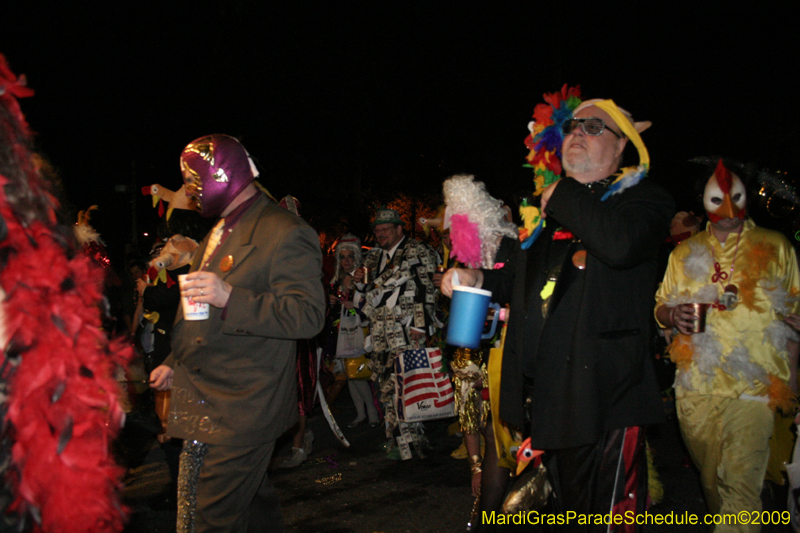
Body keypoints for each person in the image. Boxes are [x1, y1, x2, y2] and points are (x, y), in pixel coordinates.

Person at [442, 97, 673, 528]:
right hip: (547, 398)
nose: (576, 135)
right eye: (571, 128)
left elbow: (620, 246)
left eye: (593, 128)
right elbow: (517, 281)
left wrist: (562, 193)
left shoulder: (643, 200)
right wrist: (474, 279)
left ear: (622, 146)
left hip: (605, 397)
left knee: (607, 519)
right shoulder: (546, 214)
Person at [149, 134, 325, 532]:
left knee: (209, 518)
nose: (191, 195)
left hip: (244, 405)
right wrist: (176, 361)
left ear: (219, 175)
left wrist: (231, 297)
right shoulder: (216, 231)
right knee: (252, 507)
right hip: (206, 395)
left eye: (195, 183)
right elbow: (198, 312)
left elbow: (309, 315)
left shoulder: (284, 231)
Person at [655, 158, 800, 530]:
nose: (730, 209)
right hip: (695, 387)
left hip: (756, 386)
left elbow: (796, 313)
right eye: (718, 199)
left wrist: (793, 376)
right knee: (713, 484)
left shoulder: (776, 245)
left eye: (735, 197)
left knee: (739, 485)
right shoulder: (683, 253)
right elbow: (661, 305)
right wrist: (671, 317)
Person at [354, 207, 440, 458]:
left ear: (399, 229)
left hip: (406, 330)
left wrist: (420, 326)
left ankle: (414, 439)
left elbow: (428, 289)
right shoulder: (372, 257)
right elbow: (367, 292)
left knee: (407, 382)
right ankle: (396, 437)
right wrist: (359, 281)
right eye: (377, 230)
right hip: (380, 330)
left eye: (385, 229)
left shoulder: (418, 250)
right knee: (386, 383)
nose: (380, 234)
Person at [330, 234, 379, 428]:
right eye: (343, 257)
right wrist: (331, 301)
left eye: (351, 257)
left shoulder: (363, 278)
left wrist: (354, 304)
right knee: (350, 375)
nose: (347, 261)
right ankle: (360, 414)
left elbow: (371, 304)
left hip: (359, 332)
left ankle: (373, 412)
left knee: (358, 374)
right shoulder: (335, 280)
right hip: (340, 333)